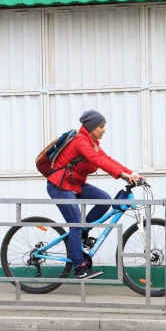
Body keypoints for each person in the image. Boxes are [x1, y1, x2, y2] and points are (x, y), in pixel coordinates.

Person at [47, 109, 145, 279]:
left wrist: (131, 173)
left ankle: (83, 232)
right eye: (101, 126)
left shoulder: (92, 143)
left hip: (74, 184)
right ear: (91, 127)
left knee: (104, 200)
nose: (104, 130)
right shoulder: (80, 141)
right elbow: (97, 160)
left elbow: (107, 159)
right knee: (75, 224)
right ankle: (79, 267)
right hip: (60, 187)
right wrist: (122, 175)